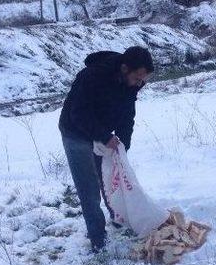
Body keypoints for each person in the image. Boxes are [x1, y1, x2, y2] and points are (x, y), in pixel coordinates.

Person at [59, 46, 154, 252]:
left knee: (109, 178)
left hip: (101, 131)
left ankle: (118, 217)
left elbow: (127, 116)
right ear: (124, 68)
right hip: (75, 132)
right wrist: (104, 136)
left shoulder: (131, 84)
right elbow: (78, 113)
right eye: (138, 78)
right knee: (89, 187)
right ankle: (98, 238)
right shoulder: (92, 77)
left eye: (143, 81)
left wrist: (122, 146)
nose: (140, 84)